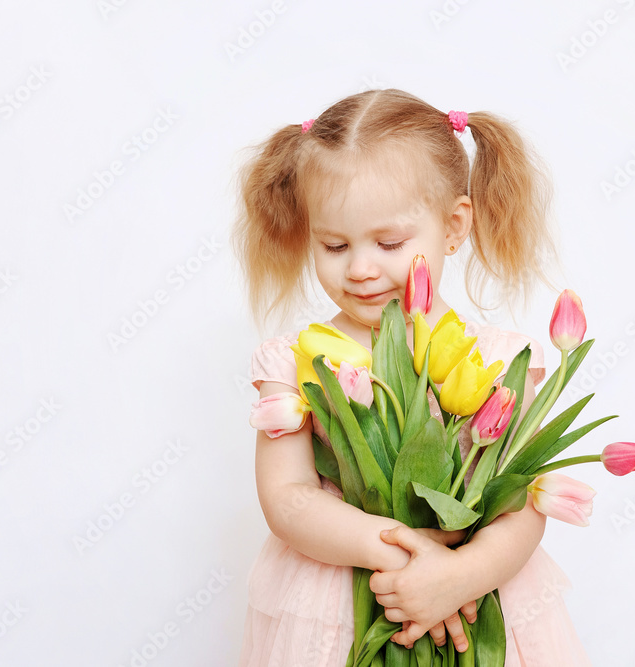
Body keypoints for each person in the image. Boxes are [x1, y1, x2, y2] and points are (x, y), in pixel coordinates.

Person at [231, 88, 592, 666]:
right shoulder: (297, 363)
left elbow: (521, 505)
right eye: (333, 245)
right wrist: (405, 562)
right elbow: (288, 498)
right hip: (338, 602)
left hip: (478, 596)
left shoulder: (500, 360)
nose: (361, 269)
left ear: (453, 226)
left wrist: (459, 576)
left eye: (390, 243)